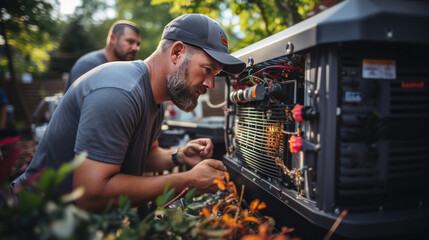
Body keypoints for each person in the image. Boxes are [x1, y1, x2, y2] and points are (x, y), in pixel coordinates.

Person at [12, 14, 246, 211]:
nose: (210, 85)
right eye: (207, 70)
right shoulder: (120, 92)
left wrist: (180, 156)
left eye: (215, 75)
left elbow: (145, 157)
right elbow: (91, 193)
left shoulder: (156, 100)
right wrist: (186, 180)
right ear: (177, 53)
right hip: (31, 219)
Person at [64, 20, 141, 92]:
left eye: (138, 44)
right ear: (113, 38)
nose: (135, 48)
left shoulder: (127, 71)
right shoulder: (88, 66)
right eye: (130, 42)